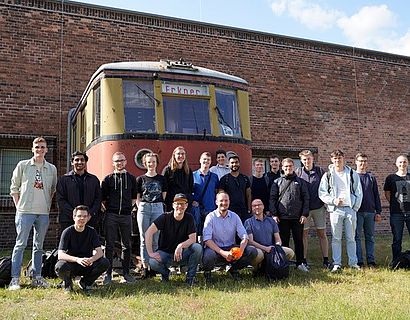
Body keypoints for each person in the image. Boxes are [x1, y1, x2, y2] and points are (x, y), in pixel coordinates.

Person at [8, 137, 57, 290]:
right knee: (20, 245)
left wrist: (47, 206)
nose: (40, 150)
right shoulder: (23, 165)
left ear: (46, 150)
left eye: (42, 147)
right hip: (25, 212)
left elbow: (52, 190)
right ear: (32, 149)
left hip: (42, 213)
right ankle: (14, 279)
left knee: (39, 246)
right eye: (37, 147)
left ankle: (37, 277)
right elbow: (14, 188)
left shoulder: (52, 169)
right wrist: (19, 207)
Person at [319, 149, 363, 272]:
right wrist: (333, 201)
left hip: (350, 209)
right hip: (335, 210)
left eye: (339, 158)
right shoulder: (327, 175)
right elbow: (322, 193)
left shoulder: (352, 174)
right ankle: (337, 263)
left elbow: (358, 192)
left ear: (343, 158)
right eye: (335, 158)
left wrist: (355, 207)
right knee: (336, 238)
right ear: (331, 160)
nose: (337, 160)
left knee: (351, 238)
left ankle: (353, 263)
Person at [145, 193, 202, 285]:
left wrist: (181, 246)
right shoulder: (165, 217)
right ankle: (165, 273)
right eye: (177, 203)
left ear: (186, 206)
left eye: (183, 204)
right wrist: (150, 253)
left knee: (197, 247)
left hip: (182, 254)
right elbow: (148, 232)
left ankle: (190, 278)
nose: (180, 206)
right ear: (173, 205)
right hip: (165, 254)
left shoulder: (189, 218)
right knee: (152, 262)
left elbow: (193, 239)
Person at [202, 191, 257, 282]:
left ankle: (234, 269)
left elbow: (244, 236)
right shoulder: (210, 217)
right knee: (208, 255)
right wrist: (223, 253)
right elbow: (207, 240)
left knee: (252, 251)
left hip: (232, 249)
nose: (224, 203)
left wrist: (241, 251)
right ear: (216, 202)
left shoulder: (234, 216)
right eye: (221, 201)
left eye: (226, 200)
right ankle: (207, 273)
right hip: (216, 249)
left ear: (229, 202)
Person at [101, 152, 137, 284]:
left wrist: (128, 208)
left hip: (126, 215)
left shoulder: (132, 178)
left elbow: (134, 197)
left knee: (127, 245)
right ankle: (108, 274)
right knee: (109, 245)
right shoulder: (108, 179)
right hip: (111, 214)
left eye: (121, 160)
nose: (119, 163)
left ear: (126, 162)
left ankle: (126, 274)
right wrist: (111, 209)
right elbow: (103, 199)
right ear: (113, 163)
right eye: (117, 161)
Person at [55, 205, 110, 292]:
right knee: (60, 266)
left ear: (88, 218)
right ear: (74, 217)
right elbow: (60, 255)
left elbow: (100, 252)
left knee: (104, 262)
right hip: (72, 264)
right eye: (79, 216)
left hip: (87, 264)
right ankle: (68, 284)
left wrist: (91, 259)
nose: (82, 218)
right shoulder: (67, 232)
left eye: (85, 216)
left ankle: (85, 283)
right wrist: (77, 260)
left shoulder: (92, 231)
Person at [270, 158, 310, 272]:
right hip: (282, 218)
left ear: (294, 167)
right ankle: (284, 262)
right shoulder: (277, 182)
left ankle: (300, 263)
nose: (288, 168)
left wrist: (304, 214)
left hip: (298, 217)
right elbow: (272, 199)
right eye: (286, 166)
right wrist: (274, 214)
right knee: (283, 241)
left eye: (290, 166)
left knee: (299, 241)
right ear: (282, 168)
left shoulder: (301, 182)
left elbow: (306, 198)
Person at [295, 150, 329, 268]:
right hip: (305, 210)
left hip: (319, 207)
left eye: (308, 159)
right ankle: (303, 260)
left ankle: (326, 260)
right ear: (301, 160)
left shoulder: (320, 172)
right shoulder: (298, 172)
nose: (307, 161)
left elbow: (328, 187)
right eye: (304, 159)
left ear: (313, 159)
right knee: (304, 235)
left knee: (322, 233)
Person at [136, 152, 167, 278]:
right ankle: (145, 267)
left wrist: (157, 204)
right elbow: (137, 197)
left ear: (156, 163)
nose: (151, 164)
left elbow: (163, 195)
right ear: (145, 163)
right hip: (144, 207)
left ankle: (153, 266)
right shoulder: (140, 179)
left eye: (153, 161)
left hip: (158, 207)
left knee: (155, 238)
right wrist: (141, 207)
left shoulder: (162, 179)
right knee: (144, 238)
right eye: (149, 162)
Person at [245, 199, 294, 275]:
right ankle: (257, 269)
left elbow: (278, 239)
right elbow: (250, 241)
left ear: (263, 206)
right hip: (258, 249)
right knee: (259, 255)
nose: (257, 207)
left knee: (290, 252)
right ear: (252, 208)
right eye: (254, 206)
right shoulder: (248, 222)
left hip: (271, 248)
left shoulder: (271, 221)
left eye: (259, 205)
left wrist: (276, 247)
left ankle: (273, 266)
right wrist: (265, 249)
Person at [56, 151, 102, 231]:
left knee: (88, 243)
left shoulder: (94, 180)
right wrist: (76, 214)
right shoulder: (63, 180)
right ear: (72, 162)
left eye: (82, 160)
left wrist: (89, 214)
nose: (80, 162)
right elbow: (60, 200)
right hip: (68, 219)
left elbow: (98, 199)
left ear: (85, 162)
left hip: (89, 220)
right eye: (77, 160)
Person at [354, 153, 382, 267]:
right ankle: (359, 261)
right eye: (360, 161)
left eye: (365, 161)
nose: (363, 163)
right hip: (357, 211)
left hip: (370, 211)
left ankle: (371, 261)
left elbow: (376, 195)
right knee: (357, 237)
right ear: (356, 162)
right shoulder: (352, 176)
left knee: (370, 237)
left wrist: (378, 212)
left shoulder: (371, 177)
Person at [384, 154, 410, 263]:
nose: (402, 164)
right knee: (397, 239)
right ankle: (396, 262)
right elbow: (387, 194)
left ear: (407, 163)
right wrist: (395, 204)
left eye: (404, 162)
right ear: (396, 164)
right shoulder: (391, 178)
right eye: (400, 162)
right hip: (396, 213)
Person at [192, 152, 219, 236]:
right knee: (197, 231)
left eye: (208, 160)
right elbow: (189, 191)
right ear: (200, 160)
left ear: (210, 162)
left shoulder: (214, 177)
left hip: (210, 208)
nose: (206, 161)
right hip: (197, 209)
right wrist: (192, 200)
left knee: (210, 231)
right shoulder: (193, 175)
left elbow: (217, 191)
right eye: (204, 159)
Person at [219, 155, 252, 222]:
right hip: (229, 211)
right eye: (232, 163)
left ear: (239, 163)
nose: (234, 164)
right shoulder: (224, 179)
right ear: (229, 164)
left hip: (243, 211)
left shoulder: (245, 178)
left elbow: (248, 195)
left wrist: (249, 209)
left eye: (236, 162)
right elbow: (221, 196)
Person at [163, 146, 193, 212]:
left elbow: (190, 188)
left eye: (183, 154)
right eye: (178, 154)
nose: (181, 156)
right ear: (174, 155)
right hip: (172, 204)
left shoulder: (188, 171)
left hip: (185, 203)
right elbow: (164, 187)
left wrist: (189, 200)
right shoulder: (167, 170)